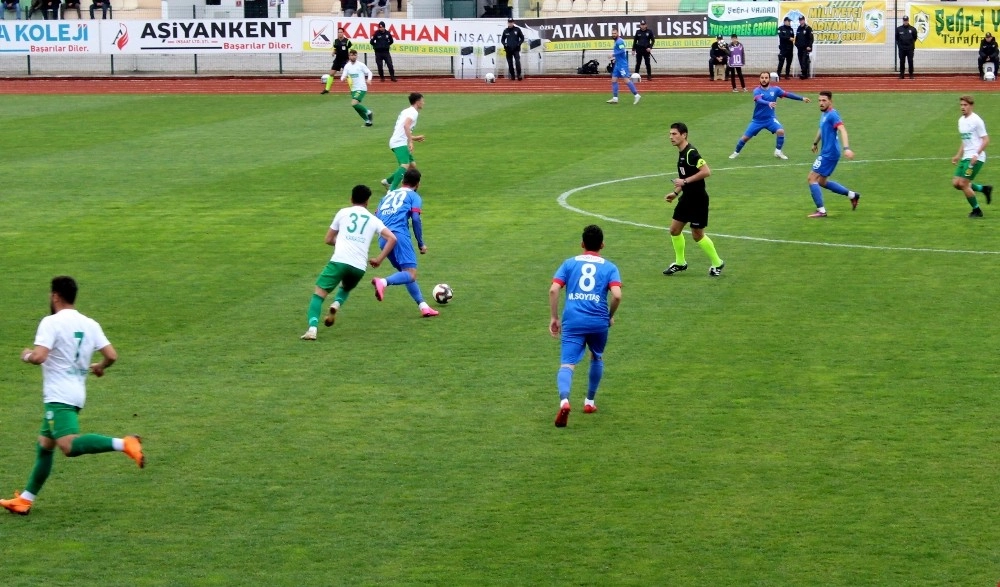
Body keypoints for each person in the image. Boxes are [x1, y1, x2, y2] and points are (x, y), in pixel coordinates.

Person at [1, 276, 144, 516]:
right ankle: (25, 500)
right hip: (76, 393)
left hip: (59, 397)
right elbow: (112, 355)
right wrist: (100, 366)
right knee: (45, 446)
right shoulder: (90, 323)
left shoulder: (51, 322)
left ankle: (125, 443)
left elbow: (40, 356)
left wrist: (26, 355)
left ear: (55, 295)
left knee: (67, 445)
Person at [301, 185, 397, 340]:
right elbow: (393, 238)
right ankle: (336, 305)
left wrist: (342, 243)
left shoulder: (343, 213)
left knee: (319, 294)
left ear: (351, 199)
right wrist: (379, 259)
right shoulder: (374, 219)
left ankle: (312, 329)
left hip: (339, 261)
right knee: (345, 288)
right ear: (367, 201)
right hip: (359, 266)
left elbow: (328, 239)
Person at [549, 224, 622, 428]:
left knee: (567, 364)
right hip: (598, 321)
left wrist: (554, 318)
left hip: (572, 321)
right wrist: (609, 316)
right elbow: (617, 295)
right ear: (602, 245)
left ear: (582, 244)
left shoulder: (569, 263)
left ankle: (564, 401)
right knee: (596, 356)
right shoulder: (610, 267)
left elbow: (554, 290)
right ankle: (589, 402)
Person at [371, 168, 440, 318]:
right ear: (418, 184)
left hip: (383, 238)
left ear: (402, 181)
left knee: (405, 273)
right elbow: (415, 219)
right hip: (399, 236)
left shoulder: (387, 196)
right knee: (410, 273)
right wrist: (421, 243)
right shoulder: (414, 196)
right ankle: (382, 282)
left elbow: (375, 216)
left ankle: (423, 307)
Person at [663, 122, 726, 278]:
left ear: (684, 135)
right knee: (674, 230)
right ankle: (680, 262)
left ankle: (717, 262)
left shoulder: (691, 153)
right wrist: (675, 192)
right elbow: (684, 178)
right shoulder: (682, 152)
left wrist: (684, 182)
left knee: (697, 235)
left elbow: (706, 171)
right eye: (670, 134)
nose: (671, 137)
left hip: (698, 200)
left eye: (674, 134)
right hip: (686, 198)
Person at [729, 71, 811, 160]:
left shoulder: (775, 90)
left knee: (780, 131)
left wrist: (802, 98)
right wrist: (768, 103)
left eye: (766, 78)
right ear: (759, 79)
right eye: (762, 78)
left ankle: (778, 152)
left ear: (769, 79)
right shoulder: (757, 90)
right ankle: (735, 153)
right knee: (745, 138)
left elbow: (787, 94)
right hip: (757, 120)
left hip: (770, 119)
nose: (764, 80)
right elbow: (759, 100)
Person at [806, 91, 861, 217]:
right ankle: (853, 195)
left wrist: (846, 148)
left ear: (830, 101)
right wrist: (815, 143)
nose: (821, 103)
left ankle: (821, 211)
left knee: (811, 178)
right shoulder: (824, 114)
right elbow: (821, 128)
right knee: (822, 182)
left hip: (829, 153)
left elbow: (842, 130)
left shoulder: (832, 115)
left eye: (824, 100)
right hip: (828, 152)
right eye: (819, 100)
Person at [951, 95, 993, 218]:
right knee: (956, 183)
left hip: (976, 158)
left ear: (971, 106)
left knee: (963, 183)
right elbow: (965, 140)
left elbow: (986, 140)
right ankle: (984, 189)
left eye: (965, 105)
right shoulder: (961, 121)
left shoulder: (976, 120)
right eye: (961, 105)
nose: (963, 107)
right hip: (965, 157)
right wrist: (958, 155)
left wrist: (976, 154)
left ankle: (977, 210)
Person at [381, 92, 424, 191]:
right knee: (405, 165)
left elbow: (402, 129)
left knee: (412, 165)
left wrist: (414, 138)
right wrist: (410, 142)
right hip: (399, 142)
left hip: (399, 140)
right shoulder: (413, 112)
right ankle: (391, 191)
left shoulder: (406, 111)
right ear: (417, 102)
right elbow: (406, 126)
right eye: (422, 101)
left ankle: (388, 181)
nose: (423, 103)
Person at [340, 49, 375, 127]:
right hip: (353, 89)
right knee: (356, 107)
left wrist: (369, 79)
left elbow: (369, 72)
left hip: (361, 88)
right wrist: (343, 78)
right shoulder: (347, 66)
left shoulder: (360, 65)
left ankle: (368, 112)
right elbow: (343, 76)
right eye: (351, 55)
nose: (353, 56)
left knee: (354, 103)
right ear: (349, 56)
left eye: (354, 55)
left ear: (357, 56)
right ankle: (368, 121)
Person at [606, 26, 640, 105]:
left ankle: (636, 95)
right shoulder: (616, 41)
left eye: (614, 33)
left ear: (618, 33)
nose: (613, 35)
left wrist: (613, 54)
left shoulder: (620, 41)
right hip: (618, 64)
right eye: (612, 33)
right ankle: (615, 98)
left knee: (626, 80)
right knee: (614, 79)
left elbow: (622, 51)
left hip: (622, 65)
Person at [321, 28, 352, 95]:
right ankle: (327, 89)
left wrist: (349, 59)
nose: (339, 33)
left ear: (343, 33)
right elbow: (335, 49)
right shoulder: (336, 41)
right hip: (337, 60)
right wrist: (333, 52)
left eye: (341, 32)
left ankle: (352, 90)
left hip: (345, 60)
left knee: (348, 75)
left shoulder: (347, 41)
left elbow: (350, 50)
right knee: (331, 74)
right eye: (338, 32)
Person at [896, 15, 917, 79]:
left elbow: (915, 38)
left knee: (910, 61)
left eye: (906, 20)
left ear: (908, 20)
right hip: (902, 49)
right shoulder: (899, 29)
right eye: (904, 20)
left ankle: (911, 74)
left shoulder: (913, 29)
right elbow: (897, 38)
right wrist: (900, 46)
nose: (905, 22)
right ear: (903, 21)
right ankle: (901, 75)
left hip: (910, 49)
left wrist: (910, 44)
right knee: (902, 62)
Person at [795, 15, 813, 79]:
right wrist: (796, 44)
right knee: (800, 61)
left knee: (804, 61)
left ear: (804, 20)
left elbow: (811, 39)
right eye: (800, 20)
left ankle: (804, 74)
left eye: (802, 20)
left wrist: (809, 46)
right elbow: (797, 38)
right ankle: (804, 72)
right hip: (799, 48)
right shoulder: (798, 28)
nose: (801, 21)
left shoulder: (808, 28)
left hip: (806, 48)